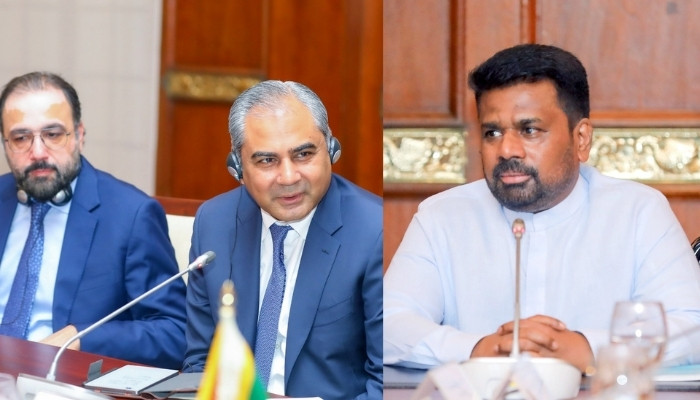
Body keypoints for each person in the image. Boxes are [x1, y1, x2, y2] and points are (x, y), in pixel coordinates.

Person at [383, 44, 700, 373]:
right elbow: (388, 325)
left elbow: (692, 326)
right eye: (492, 132)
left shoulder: (638, 212)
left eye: (529, 130)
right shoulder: (442, 217)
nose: (506, 149)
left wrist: (588, 349)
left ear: (581, 139)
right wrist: (479, 349)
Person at [183, 80, 383, 399]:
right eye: (267, 160)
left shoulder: (374, 231)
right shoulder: (214, 222)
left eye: (303, 154)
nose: (289, 177)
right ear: (237, 167)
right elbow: (202, 363)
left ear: (331, 149)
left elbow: (384, 382)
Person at [0, 72, 187, 369]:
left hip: (60, 379)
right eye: (21, 138)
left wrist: (83, 338)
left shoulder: (130, 215)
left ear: (79, 135)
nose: (38, 152)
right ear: (6, 144)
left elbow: (174, 331)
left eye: (53, 134)